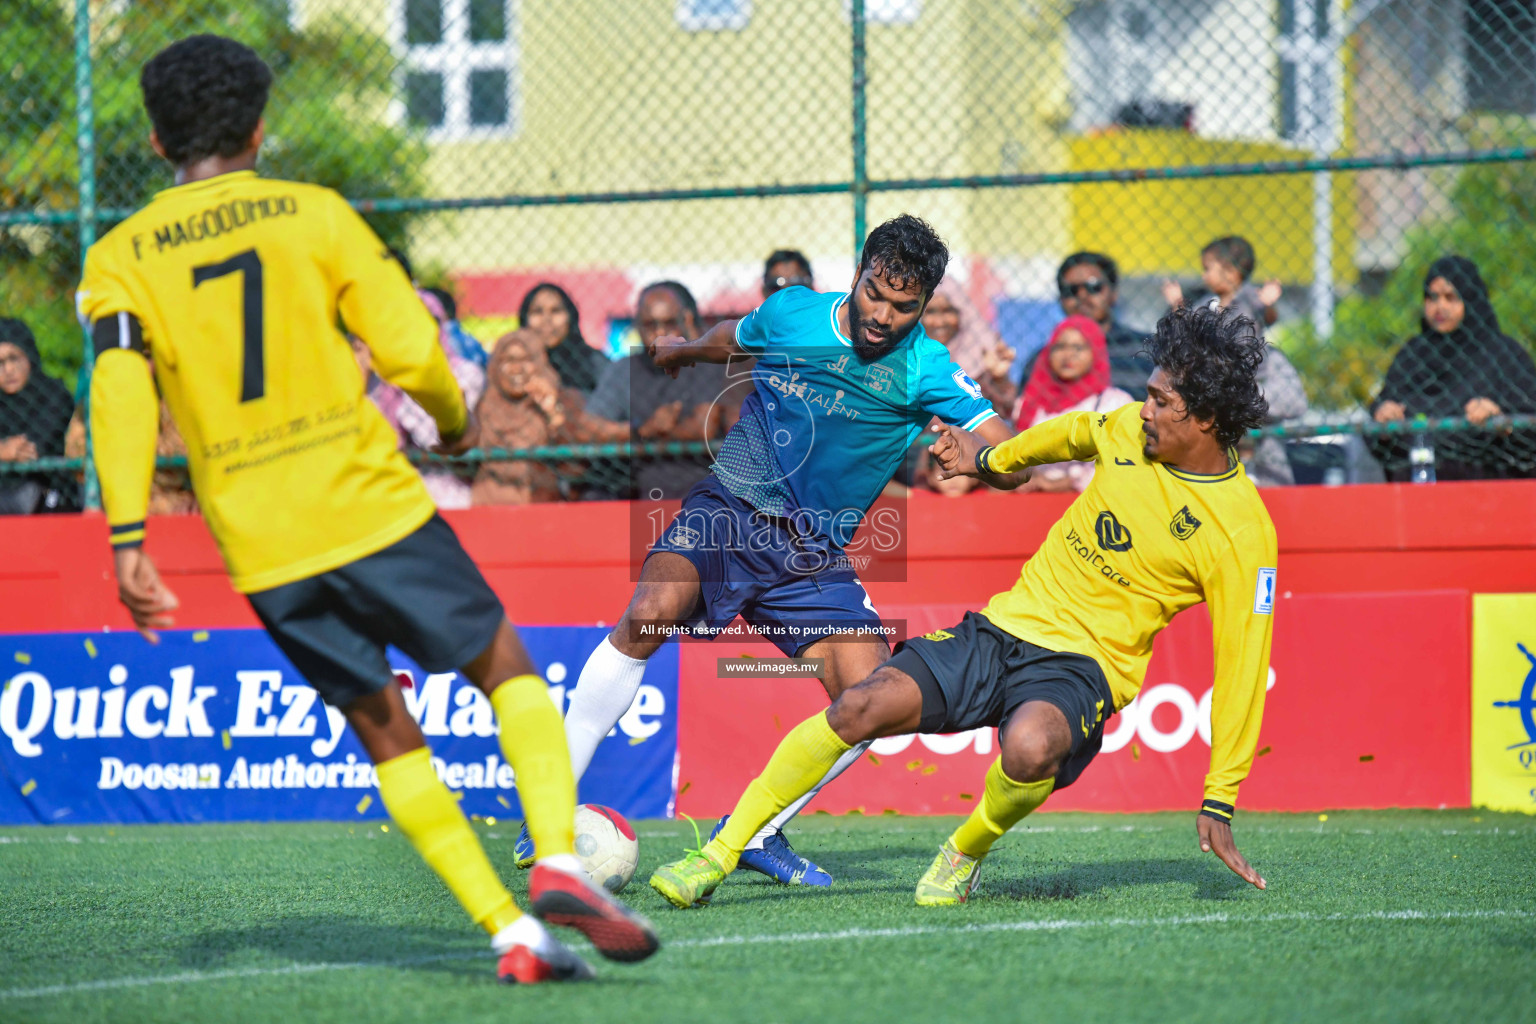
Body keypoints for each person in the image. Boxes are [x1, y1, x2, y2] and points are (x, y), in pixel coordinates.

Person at [75, 34, 656, 984]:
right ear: (260, 127)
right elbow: (407, 346)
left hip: (259, 543)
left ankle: (515, 939)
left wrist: (129, 533)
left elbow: (120, 392)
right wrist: (455, 420)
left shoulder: (121, 257)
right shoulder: (314, 216)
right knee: (503, 663)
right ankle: (557, 861)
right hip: (364, 501)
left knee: (384, 727)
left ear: (153, 140)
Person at [650, 304, 1277, 909]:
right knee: (863, 700)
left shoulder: (1243, 535)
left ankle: (963, 852)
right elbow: (1073, 433)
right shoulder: (1124, 431)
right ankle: (720, 853)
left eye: (1163, 402)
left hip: (1085, 668)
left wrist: (1220, 798)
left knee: (1030, 747)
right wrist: (988, 460)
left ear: (1206, 419)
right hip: (1002, 629)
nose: (1144, 409)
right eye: (1150, 393)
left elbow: (1243, 668)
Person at [518, 215, 1024, 885]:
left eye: (906, 306)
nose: (884, 315)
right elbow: (735, 337)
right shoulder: (794, 314)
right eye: (876, 293)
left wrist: (983, 459)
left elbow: (1012, 452)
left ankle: (760, 832)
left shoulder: (926, 367)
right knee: (649, 612)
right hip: (730, 509)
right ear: (858, 274)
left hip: (812, 557)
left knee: (874, 699)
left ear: (925, 304)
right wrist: (687, 349)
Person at [1372, 255, 1536, 480]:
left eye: (1451, 298)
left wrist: (1501, 420)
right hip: (1415, 490)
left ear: (1471, 300)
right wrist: (1383, 419)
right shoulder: (1411, 355)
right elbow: (1378, 429)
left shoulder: (1505, 355)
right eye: (1432, 297)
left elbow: (1530, 427)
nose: (1440, 307)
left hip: (1488, 493)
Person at [1162, 237, 1305, 485]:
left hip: (1249, 377)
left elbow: (1268, 315)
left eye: (1208, 269)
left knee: (1264, 447)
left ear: (1231, 272)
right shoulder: (1208, 304)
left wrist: (1269, 302)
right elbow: (1188, 326)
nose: (1204, 276)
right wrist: (1177, 305)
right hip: (1216, 378)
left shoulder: (1250, 297)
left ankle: (1274, 488)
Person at [584, 281, 736, 500]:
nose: (660, 332)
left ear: (687, 320)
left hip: (701, 481)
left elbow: (703, 427)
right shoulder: (624, 368)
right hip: (638, 484)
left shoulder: (706, 362)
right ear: (636, 325)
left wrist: (653, 433)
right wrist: (644, 430)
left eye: (669, 323)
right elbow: (591, 426)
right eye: (650, 324)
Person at [471, 330, 630, 505]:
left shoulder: (567, 401)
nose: (516, 369)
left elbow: (575, 469)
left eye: (526, 360)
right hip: (488, 504)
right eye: (508, 360)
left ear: (539, 362)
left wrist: (554, 414)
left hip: (545, 505)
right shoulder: (484, 407)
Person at [370, 288, 486, 508]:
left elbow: (438, 441)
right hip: (399, 487)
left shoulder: (465, 375)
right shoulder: (383, 380)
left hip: (453, 487)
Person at [1012, 316, 1136, 493]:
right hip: (1033, 498)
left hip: (1091, 500)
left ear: (1096, 351)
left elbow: (1122, 463)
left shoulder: (1113, 403)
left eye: (1078, 347)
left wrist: (1065, 483)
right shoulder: (1032, 401)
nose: (1068, 354)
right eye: (1060, 346)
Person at [0, 318, 76, 515]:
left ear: (29, 356)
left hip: (48, 494)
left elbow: (33, 447)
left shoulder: (53, 394)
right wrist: (3, 450)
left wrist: (8, 451)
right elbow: (10, 451)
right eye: (0, 362)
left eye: (14, 358)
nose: (8, 370)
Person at [1056, 252, 1153, 395]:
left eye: (1093, 287)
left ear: (1114, 293)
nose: (1082, 296)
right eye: (1072, 290)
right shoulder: (1046, 358)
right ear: (1060, 299)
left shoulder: (1147, 348)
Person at [921, 279, 1017, 416]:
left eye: (948, 311)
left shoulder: (982, 357)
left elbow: (1006, 412)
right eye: (930, 312)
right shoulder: (907, 355)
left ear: (962, 314)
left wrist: (999, 378)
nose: (939, 322)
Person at [519, 283, 607, 394]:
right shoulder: (515, 362)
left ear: (570, 317)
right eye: (537, 311)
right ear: (525, 319)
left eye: (555, 311)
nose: (547, 320)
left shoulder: (595, 363)